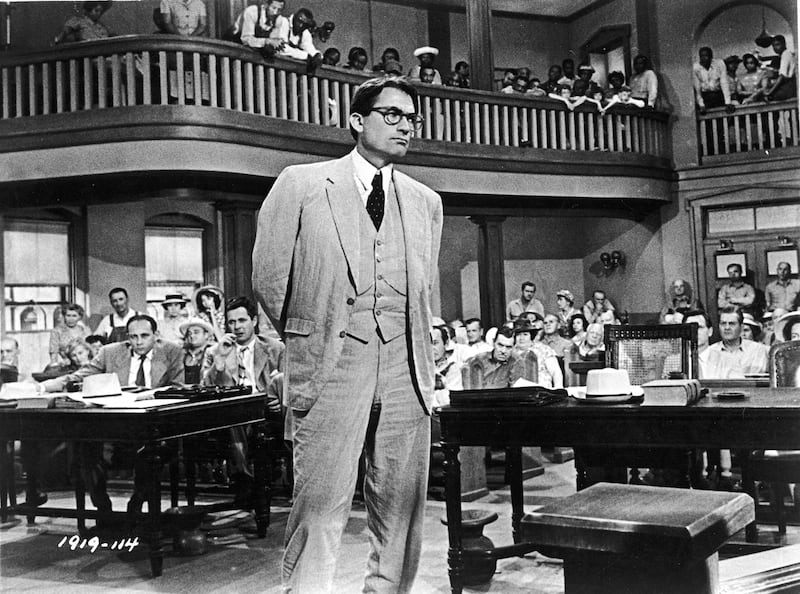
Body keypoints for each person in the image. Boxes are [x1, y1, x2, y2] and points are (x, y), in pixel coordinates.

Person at [252, 76, 442, 593]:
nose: (406, 125)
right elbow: (269, 280)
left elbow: (426, 291)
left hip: (408, 372)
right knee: (318, 507)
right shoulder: (302, 183)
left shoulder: (426, 201)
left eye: (412, 118)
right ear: (358, 121)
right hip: (330, 366)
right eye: (393, 114)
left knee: (403, 511)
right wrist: (309, 337)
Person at [41, 315, 185, 520]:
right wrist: (43, 387)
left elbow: (177, 389)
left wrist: (145, 396)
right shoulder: (110, 352)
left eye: (145, 336)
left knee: (151, 453)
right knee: (85, 450)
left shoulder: (172, 352)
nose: (139, 341)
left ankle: (136, 504)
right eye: (133, 337)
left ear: (156, 335)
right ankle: (103, 510)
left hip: (153, 426)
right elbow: (80, 375)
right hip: (114, 425)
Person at [202, 297, 285, 501]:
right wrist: (220, 360)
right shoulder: (216, 351)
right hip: (232, 411)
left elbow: (289, 384)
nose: (237, 327)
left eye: (242, 320)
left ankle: (246, 478)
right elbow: (205, 388)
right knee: (235, 418)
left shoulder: (274, 348)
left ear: (254, 321)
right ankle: (246, 479)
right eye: (231, 322)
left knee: (246, 420)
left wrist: (279, 400)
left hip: (266, 409)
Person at [700, 306, 768, 379]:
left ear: (741, 327)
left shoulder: (759, 350)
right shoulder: (709, 352)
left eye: (731, 324)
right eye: (723, 323)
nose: (727, 328)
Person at [461, 326, 537, 389]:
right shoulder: (478, 360)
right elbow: (472, 392)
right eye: (500, 345)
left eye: (508, 347)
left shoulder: (516, 361)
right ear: (494, 343)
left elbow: (517, 391)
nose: (503, 351)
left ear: (514, 347)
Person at [512, 320, 563, 388]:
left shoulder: (543, 349)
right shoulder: (511, 352)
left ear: (531, 336)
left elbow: (555, 372)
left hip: (542, 392)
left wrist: (559, 390)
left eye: (525, 334)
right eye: (518, 335)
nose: (522, 338)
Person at [693, 46, 735, 114]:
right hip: (706, 96)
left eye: (706, 56)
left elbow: (724, 83)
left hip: (718, 94)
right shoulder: (696, 68)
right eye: (702, 56)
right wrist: (701, 104)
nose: (704, 58)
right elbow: (697, 88)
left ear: (711, 57)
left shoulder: (719, 64)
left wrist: (728, 102)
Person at [431, 325, 462, 407]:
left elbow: (449, 399)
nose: (431, 348)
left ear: (446, 343)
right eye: (427, 344)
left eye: (435, 343)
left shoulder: (454, 367)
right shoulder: (419, 369)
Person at [763, 35, 797, 101]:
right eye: (773, 46)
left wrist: (770, 92)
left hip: (789, 85)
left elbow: (782, 76)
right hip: (790, 85)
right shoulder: (786, 54)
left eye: (777, 44)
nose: (775, 48)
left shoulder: (785, 54)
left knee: (768, 97)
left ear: (784, 44)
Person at [180, 317, 213, 384]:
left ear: (206, 334)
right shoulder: (183, 354)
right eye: (189, 333)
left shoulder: (212, 352)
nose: (192, 336)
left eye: (196, 332)